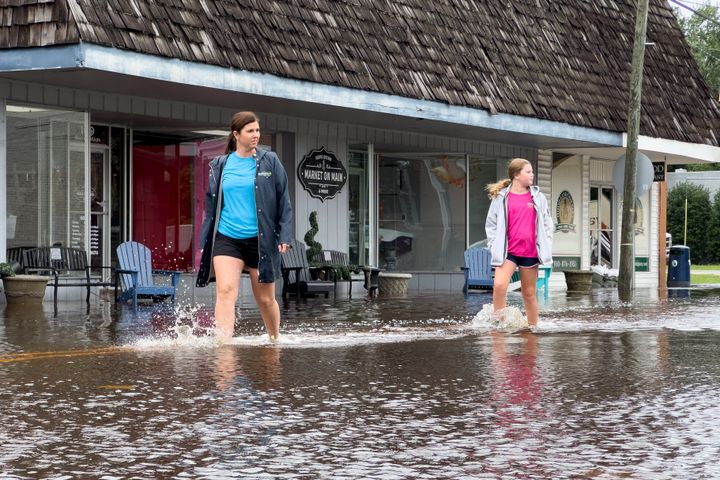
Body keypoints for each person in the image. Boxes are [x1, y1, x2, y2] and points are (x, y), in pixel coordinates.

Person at [196, 111, 293, 342]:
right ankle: (224, 345)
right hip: (227, 237)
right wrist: (205, 240)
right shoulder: (220, 165)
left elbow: (284, 201)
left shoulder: (270, 161)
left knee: (265, 299)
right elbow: (211, 207)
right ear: (236, 134)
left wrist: (284, 236)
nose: (255, 135)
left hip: (261, 241)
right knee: (226, 292)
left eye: (257, 130)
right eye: (250, 131)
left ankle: (274, 340)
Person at [485, 158, 553, 326]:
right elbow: (491, 224)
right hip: (508, 251)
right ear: (516, 175)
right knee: (499, 286)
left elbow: (547, 224)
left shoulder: (538, 197)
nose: (532, 175)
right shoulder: (501, 197)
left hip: (530, 252)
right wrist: (493, 245)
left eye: (532, 172)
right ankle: (500, 324)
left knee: (528, 294)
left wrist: (545, 245)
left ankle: (533, 328)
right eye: (528, 172)